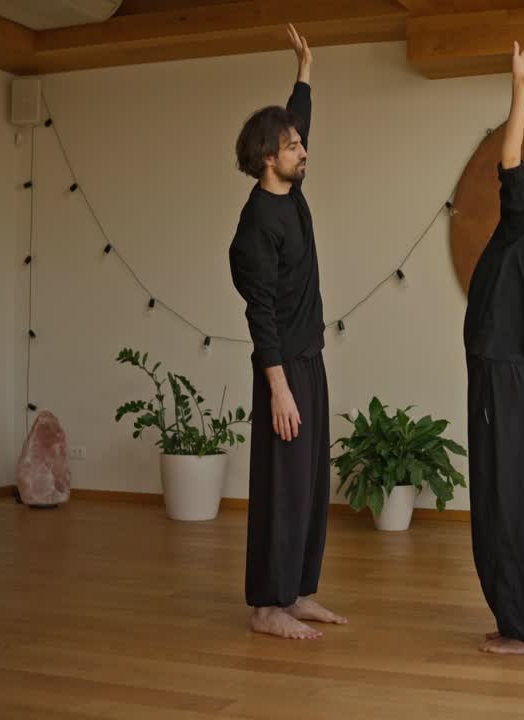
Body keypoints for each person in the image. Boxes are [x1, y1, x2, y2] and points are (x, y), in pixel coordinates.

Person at [229, 23, 346, 641]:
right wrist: (277, 388)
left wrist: (305, 69)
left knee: (309, 484)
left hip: (310, 358)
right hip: (281, 367)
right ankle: (266, 606)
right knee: (280, 487)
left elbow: (296, 116)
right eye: (294, 145)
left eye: (301, 142)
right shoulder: (257, 225)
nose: (304, 150)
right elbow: (260, 315)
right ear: (268, 158)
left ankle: (298, 591)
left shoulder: (291, 191)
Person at [463, 32, 524, 655]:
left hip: (502, 386)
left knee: (508, 505)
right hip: (507, 389)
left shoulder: (519, 231)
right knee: (511, 502)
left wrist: (519, 88)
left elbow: (511, 168)